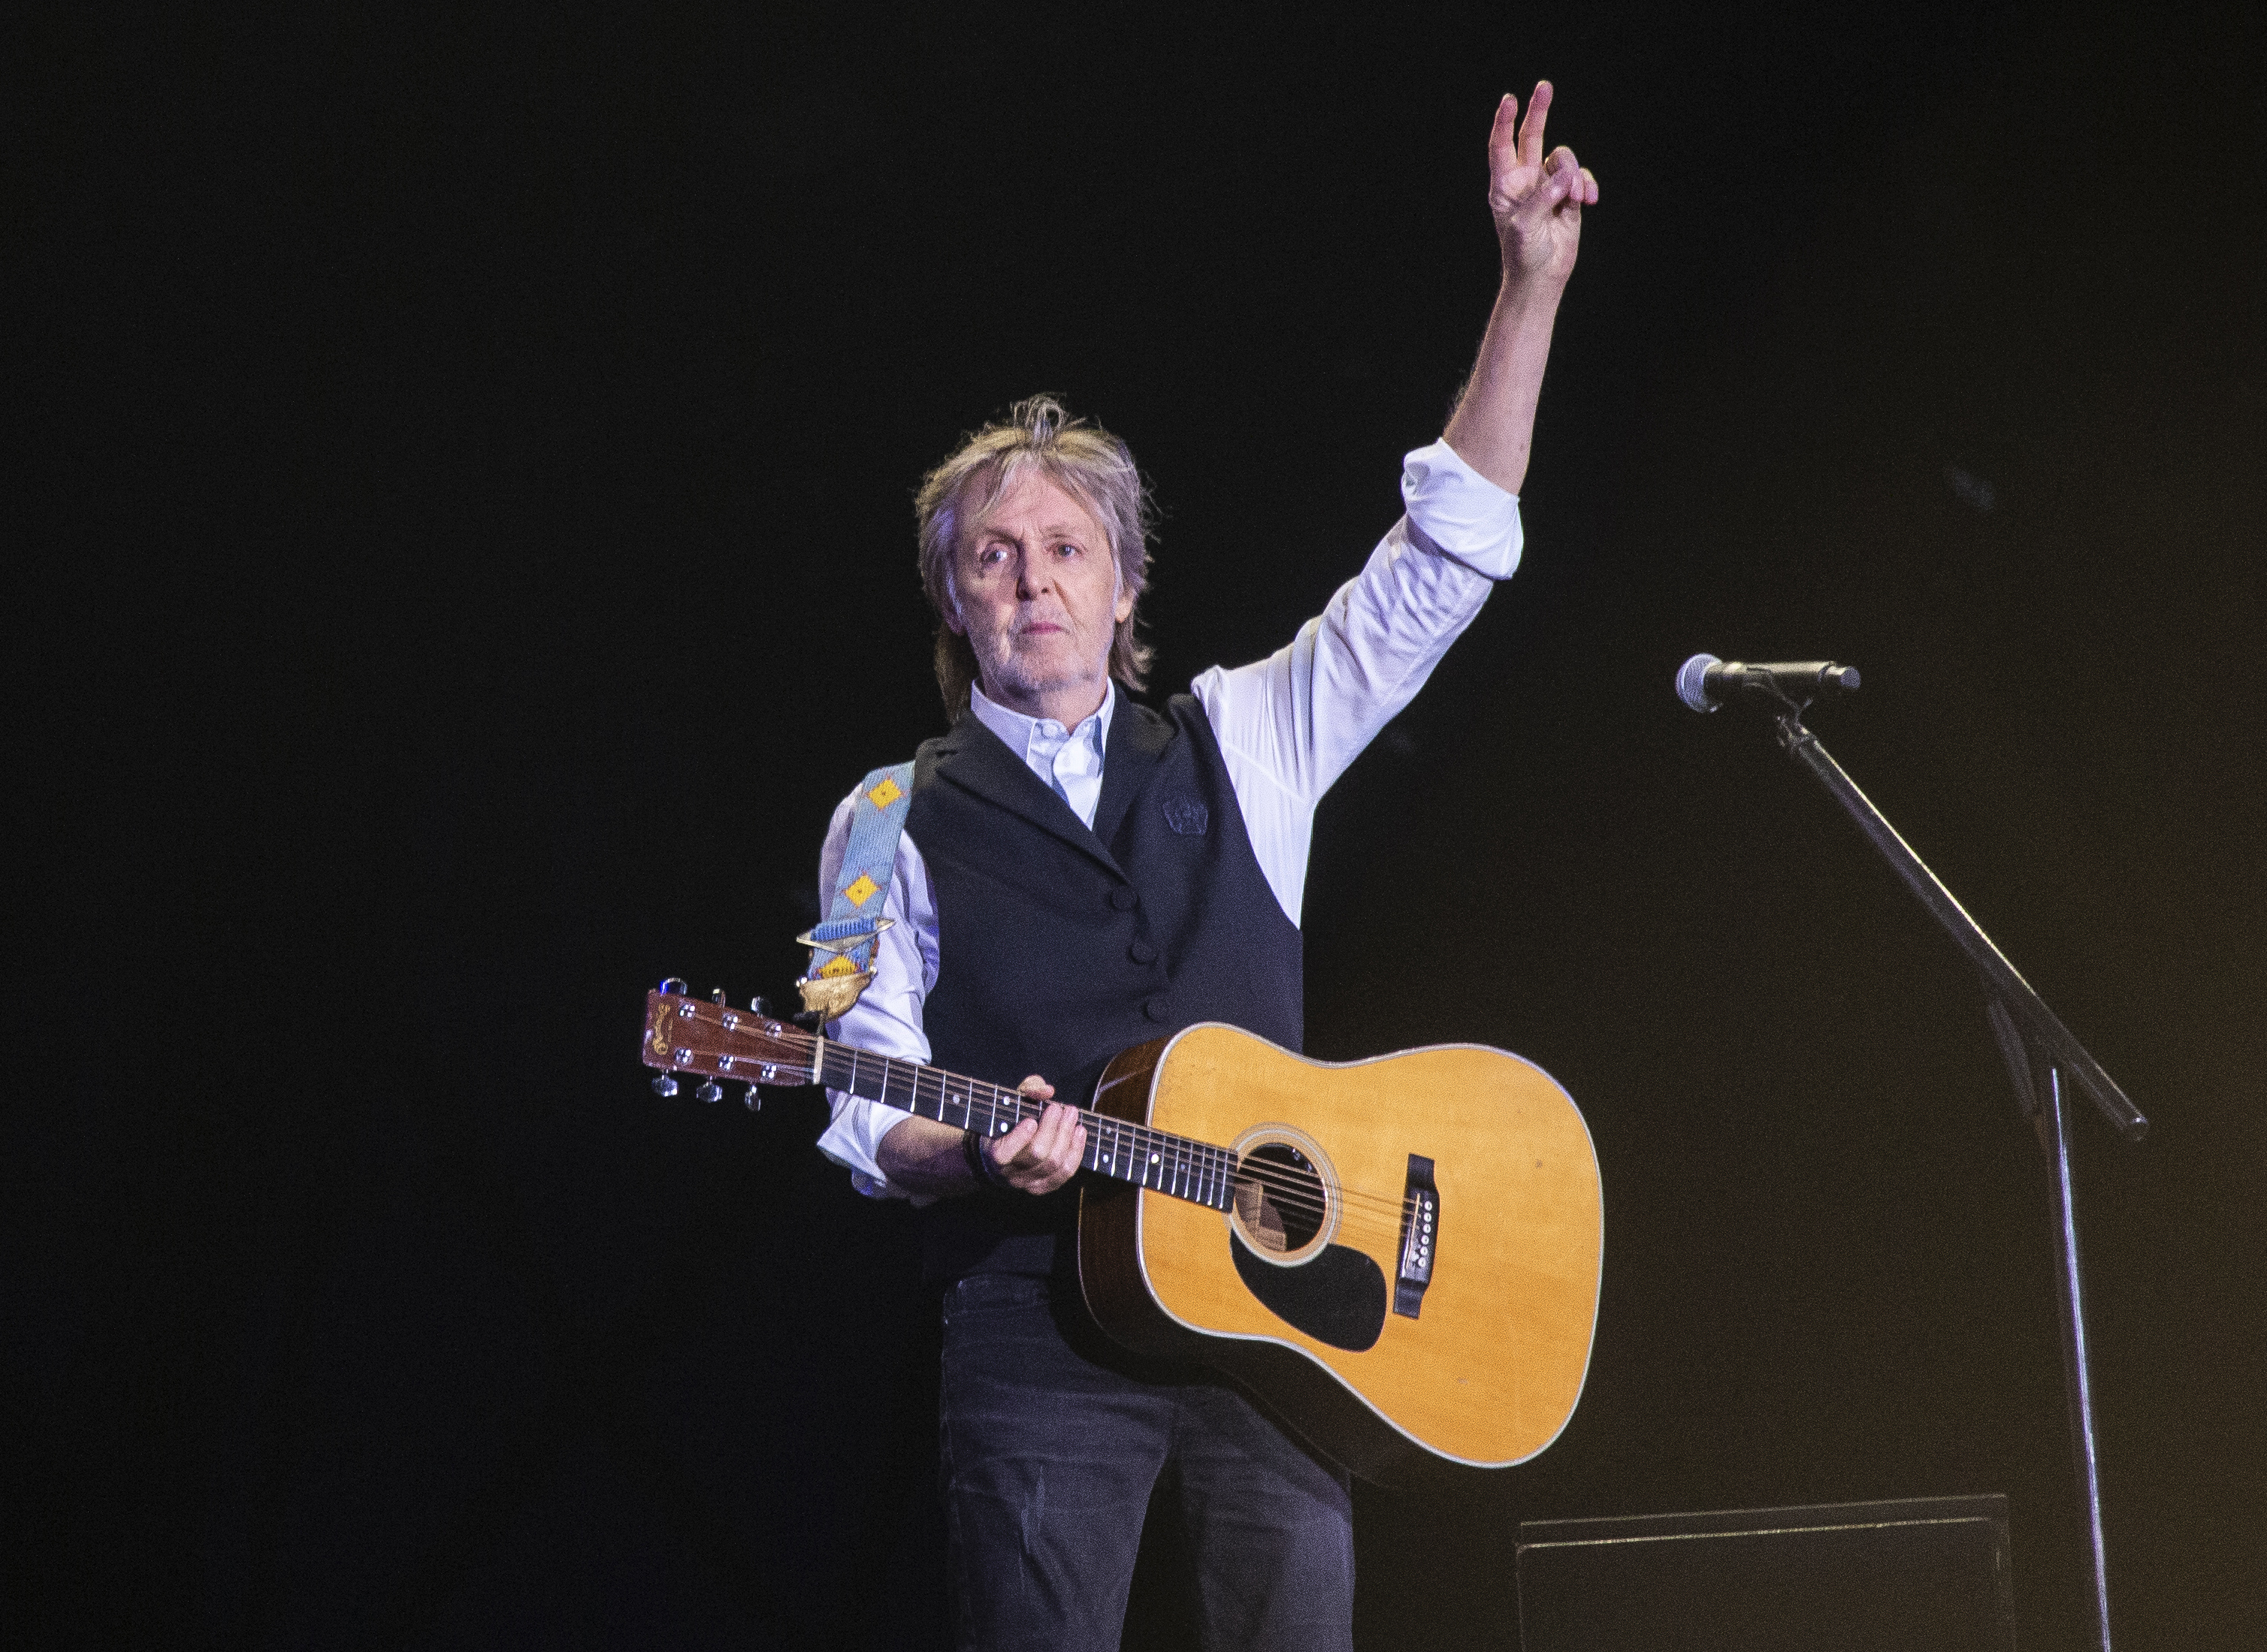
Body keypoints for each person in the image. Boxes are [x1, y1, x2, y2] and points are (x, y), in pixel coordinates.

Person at [813, 83, 1597, 1652]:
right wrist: (975, 1156)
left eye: (1065, 551)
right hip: (1035, 1332)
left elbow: (1442, 560)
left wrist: (1529, 288)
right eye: (992, 557)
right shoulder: (888, 813)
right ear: (952, 604)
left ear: (1123, 586)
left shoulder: (1250, 736)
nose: (1031, 581)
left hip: (1280, 1334)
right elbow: (860, 1090)